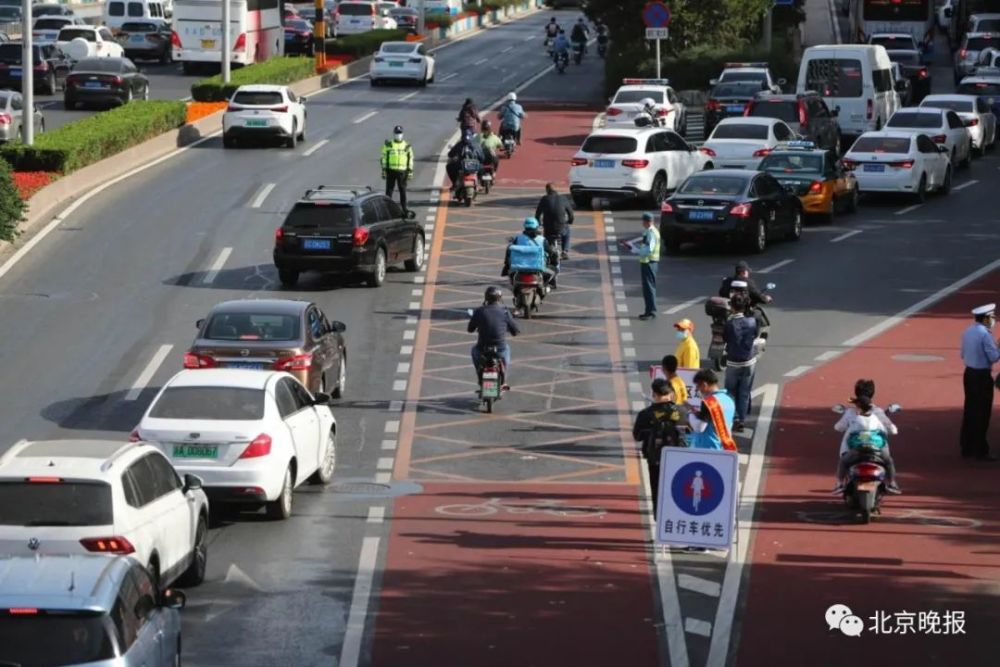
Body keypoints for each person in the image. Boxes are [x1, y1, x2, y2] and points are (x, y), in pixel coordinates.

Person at [832, 384, 901, 494]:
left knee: (843, 462)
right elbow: (891, 430)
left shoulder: (854, 418)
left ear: (858, 407)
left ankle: (839, 483)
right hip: (877, 451)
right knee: (889, 461)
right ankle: (892, 483)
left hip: (856, 450)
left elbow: (839, 428)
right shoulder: (876, 416)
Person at [632, 378, 683, 515]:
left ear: (653, 394)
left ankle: (659, 520)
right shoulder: (681, 412)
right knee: (678, 490)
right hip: (680, 459)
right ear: (671, 393)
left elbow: (637, 436)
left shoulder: (645, 414)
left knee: (657, 490)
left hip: (655, 458)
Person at [959, 303, 1000, 461]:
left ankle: (966, 446)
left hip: (969, 373)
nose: (994, 319)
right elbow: (994, 357)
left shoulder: (968, 331)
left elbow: (962, 354)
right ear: (986, 318)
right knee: (982, 412)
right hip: (982, 376)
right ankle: (980, 449)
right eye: (992, 317)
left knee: (970, 409)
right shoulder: (985, 335)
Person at [468, 285, 519, 386]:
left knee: (474, 351)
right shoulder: (504, 312)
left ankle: (479, 377)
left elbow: (470, 329)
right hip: (500, 349)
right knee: (507, 349)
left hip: (482, 349)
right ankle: (503, 380)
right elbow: (515, 331)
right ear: (499, 299)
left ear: (486, 297)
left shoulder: (479, 311)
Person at [723, 293, 759, 432]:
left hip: (733, 362)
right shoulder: (752, 321)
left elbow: (725, 338)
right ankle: (742, 419)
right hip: (749, 361)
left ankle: (733, 417)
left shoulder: (730, 323)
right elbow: (755, 334)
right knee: (744, 391)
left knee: (730, 391)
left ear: (732, 306)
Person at [620, 212, 660, 320]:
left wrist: (636, 250)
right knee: (647, 287)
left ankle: (651, 312)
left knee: (649, 288)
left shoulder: (651, 233)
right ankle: (648, 311)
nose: (642, 223)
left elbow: (648, 249)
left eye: (643, 221)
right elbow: (645, 247)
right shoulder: (650, 232)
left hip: (649, 262)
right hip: (648, 262)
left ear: (647, 222)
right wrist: (633, 248)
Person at [502, 217, 559, 289]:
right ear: (536, 227)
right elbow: (551, 252)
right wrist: (555, 262)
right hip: (538, 267)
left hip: (520, 266)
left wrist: (507, 264)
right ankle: (550, 283)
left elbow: (510, 250)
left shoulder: (518, 238)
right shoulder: (542, 239)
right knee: (554, 269)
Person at [687, 369, 737, 450]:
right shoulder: (729, 399)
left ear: (704, 385)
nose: (698, 390)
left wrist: (690, 413)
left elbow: (699, 427)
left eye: (698, 387)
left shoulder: (708, 403)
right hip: (723, 447)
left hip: (706, 448)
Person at [380, 124, 414, 214]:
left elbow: (410, 159)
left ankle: (404, 208)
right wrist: (383, 170)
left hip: (402, 172)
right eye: (396, 133)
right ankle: (387, 209)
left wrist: (410, 171)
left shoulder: (407, 146)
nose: (398, 135)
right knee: (389, 191)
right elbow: (384, 158)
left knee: (402, 191)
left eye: (399, 133)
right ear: (393, 134)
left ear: (402, 134)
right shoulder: (389, 144)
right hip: (391, 170)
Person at [534, 183, 574, 259]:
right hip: (562, 228)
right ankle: (565, 251)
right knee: (567, 231)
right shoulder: (563, 198)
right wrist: (570, 221)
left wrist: (539, 224)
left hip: (549, 229)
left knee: (547, 239)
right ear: (556, 189)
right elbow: (571, 214)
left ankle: (548, 252)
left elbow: (537, 214)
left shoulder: (544, 199)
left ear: (547, 190)